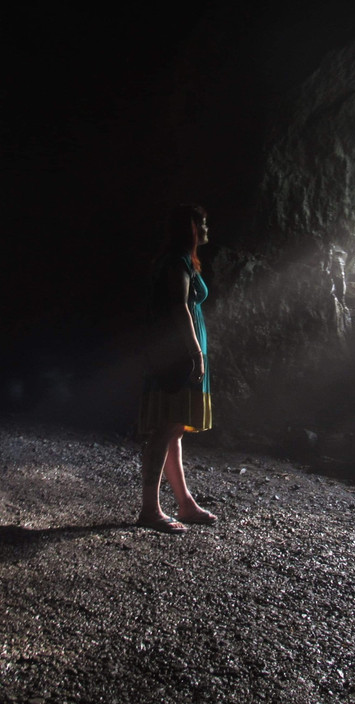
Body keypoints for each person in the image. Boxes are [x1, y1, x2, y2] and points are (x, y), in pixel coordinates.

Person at [136, 204, 217, 533]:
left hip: (177, 352)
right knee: (165, 429)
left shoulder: (180, 260)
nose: (208, 228)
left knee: (174, 428)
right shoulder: (177, 262)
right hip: (177, 355)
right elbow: (179, 305)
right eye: (204, 223)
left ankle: (184, 503)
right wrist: (195, 351)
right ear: (192, 228)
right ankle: (149, 510)